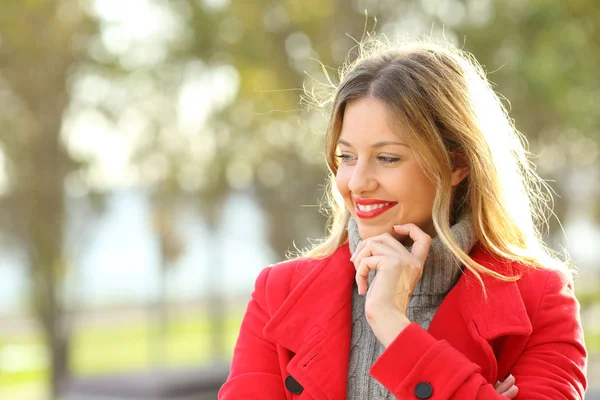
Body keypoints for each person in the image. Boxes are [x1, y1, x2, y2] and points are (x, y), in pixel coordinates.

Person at [218, 37, 587, 399]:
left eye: (388, 158)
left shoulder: (540, 297)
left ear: (457, 163)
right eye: (347, 157)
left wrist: (391, 321)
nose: (357, 183)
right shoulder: (277, 293)